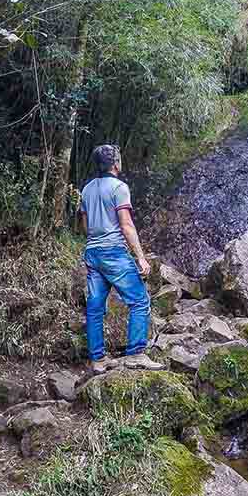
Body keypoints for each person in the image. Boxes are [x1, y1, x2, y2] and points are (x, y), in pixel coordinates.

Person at [77, 144, 163, 373]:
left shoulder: (86, 190)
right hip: (113, 252)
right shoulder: (119, 187)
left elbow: (85, 226)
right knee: (139, 300)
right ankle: (135, 354)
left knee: (95, 307)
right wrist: (141, 258)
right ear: (115, 163)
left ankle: (98, 360)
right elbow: (126, 225)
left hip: (92, 252)